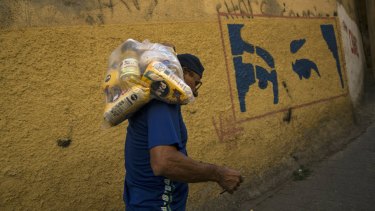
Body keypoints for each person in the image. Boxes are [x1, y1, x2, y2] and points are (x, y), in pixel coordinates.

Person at [124, 53, 243, 210]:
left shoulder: (161, 100)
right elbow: (164, 162)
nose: (195, 91)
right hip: (156, 204)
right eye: (196, 82)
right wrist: (217, 173)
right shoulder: (162, 104)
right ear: (184, 73)